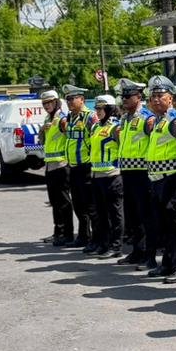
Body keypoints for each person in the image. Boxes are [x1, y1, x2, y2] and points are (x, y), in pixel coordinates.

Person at [143, 75, 176, 283]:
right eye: (153, 96)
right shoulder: (158, 120)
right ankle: (168, 264)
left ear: (170, 98)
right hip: (159, 180)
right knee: (164, 225)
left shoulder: (175, 119)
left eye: (160, 96)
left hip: (175, 178)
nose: (155, 100)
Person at [115, 79, 154, 266]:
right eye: (123, 97)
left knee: (145, 215)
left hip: (142, 172)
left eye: (128, 96)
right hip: (127, 170)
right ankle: (137, 251)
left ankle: (148, 253)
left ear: (138, 97)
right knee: (132, 216)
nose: (124, 100)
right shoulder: (124, 118)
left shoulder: (147, 117)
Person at [61, 85, 98, 249]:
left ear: (82, 100)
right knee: (78, 205)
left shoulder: (90, 117)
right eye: (67, 99)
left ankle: (96, 239)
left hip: (86, 166)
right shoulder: (70, 117)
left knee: (90, 206)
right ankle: (83, 236)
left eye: (72, 99)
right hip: (74, 166)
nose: (69, 102)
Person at [88, 94, 125, 258]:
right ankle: (104, 244)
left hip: (112, 175)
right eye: (96, 108)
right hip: (97, 175)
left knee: (114, 213)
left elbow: (122, 148)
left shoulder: (116, 127)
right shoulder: (95, 127)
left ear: (109, 109)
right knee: (100, 213)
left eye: (101, 108)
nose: (98, 111)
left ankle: (116, 246)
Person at [39, 90, 74, 246]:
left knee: (64, 201)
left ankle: (67, 234)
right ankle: (58, 231)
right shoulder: (48, 118)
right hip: (50, 165)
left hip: (61, 164)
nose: (47, 106)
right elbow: (42, 141)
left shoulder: (62, 119)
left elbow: (70, 138)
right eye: (44, 103)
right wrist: (42, 129)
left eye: (49, 102)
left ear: (56, 102)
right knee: (54, 201)